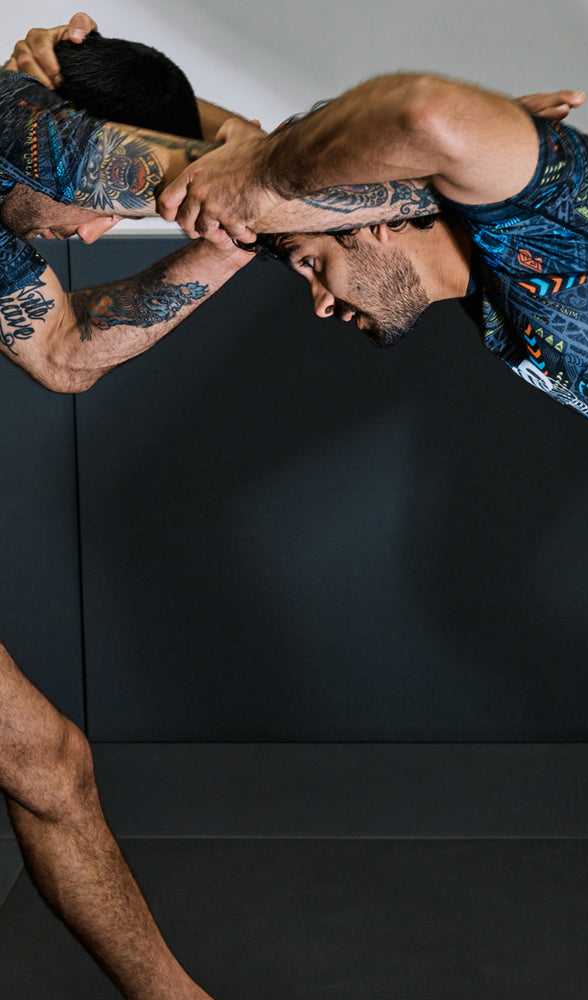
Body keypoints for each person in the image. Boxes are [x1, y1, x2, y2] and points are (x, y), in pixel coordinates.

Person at [159, 72, 588, 999]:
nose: (318, 301)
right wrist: (109, 77)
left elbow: (422, 112)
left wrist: (259, 168)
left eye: (307, 262)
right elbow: (282, 150)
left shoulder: (553, 214)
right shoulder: (483, 255)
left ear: (376, 220)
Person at [0, 14, 255, 1000]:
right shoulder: (19, 127)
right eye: (102, 204)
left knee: (48, 765)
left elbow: (64, 353)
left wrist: (227, 245)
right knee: (46, 762)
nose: (96, 234)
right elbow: (259, 159)